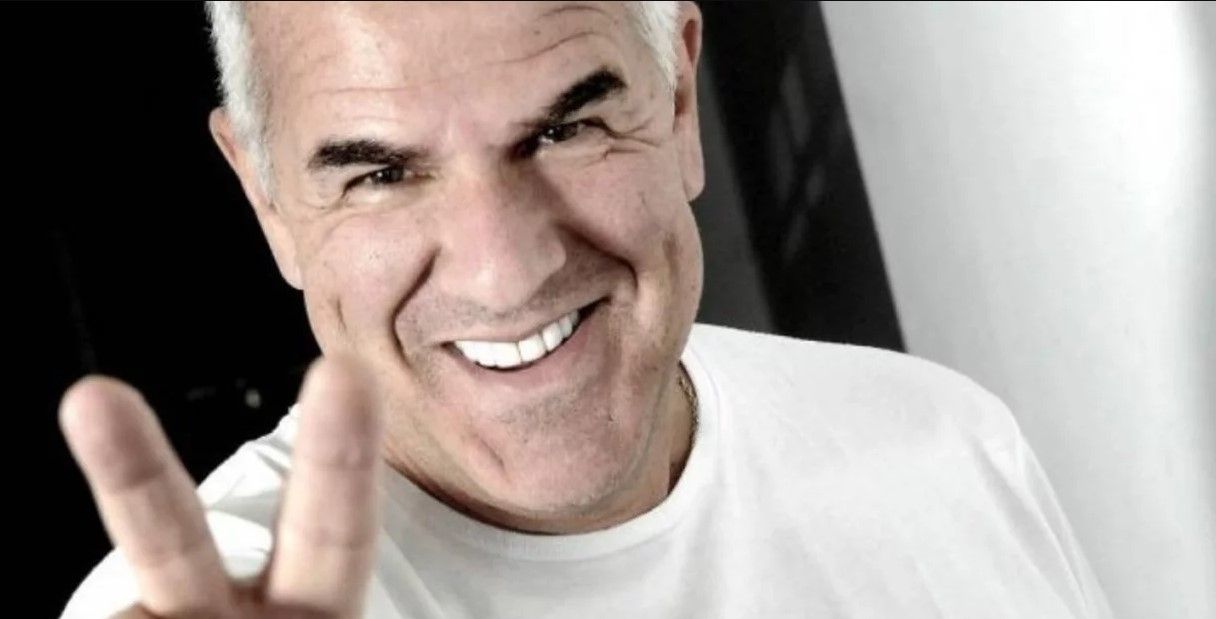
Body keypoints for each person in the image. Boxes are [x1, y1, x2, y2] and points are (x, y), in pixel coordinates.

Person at [60, 2, 1113, 617]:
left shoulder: (948, 442)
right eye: (379, 174)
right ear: (266, 201)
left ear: (679, 100)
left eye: (566, 129)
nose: (503, 272)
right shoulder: (224, 588)